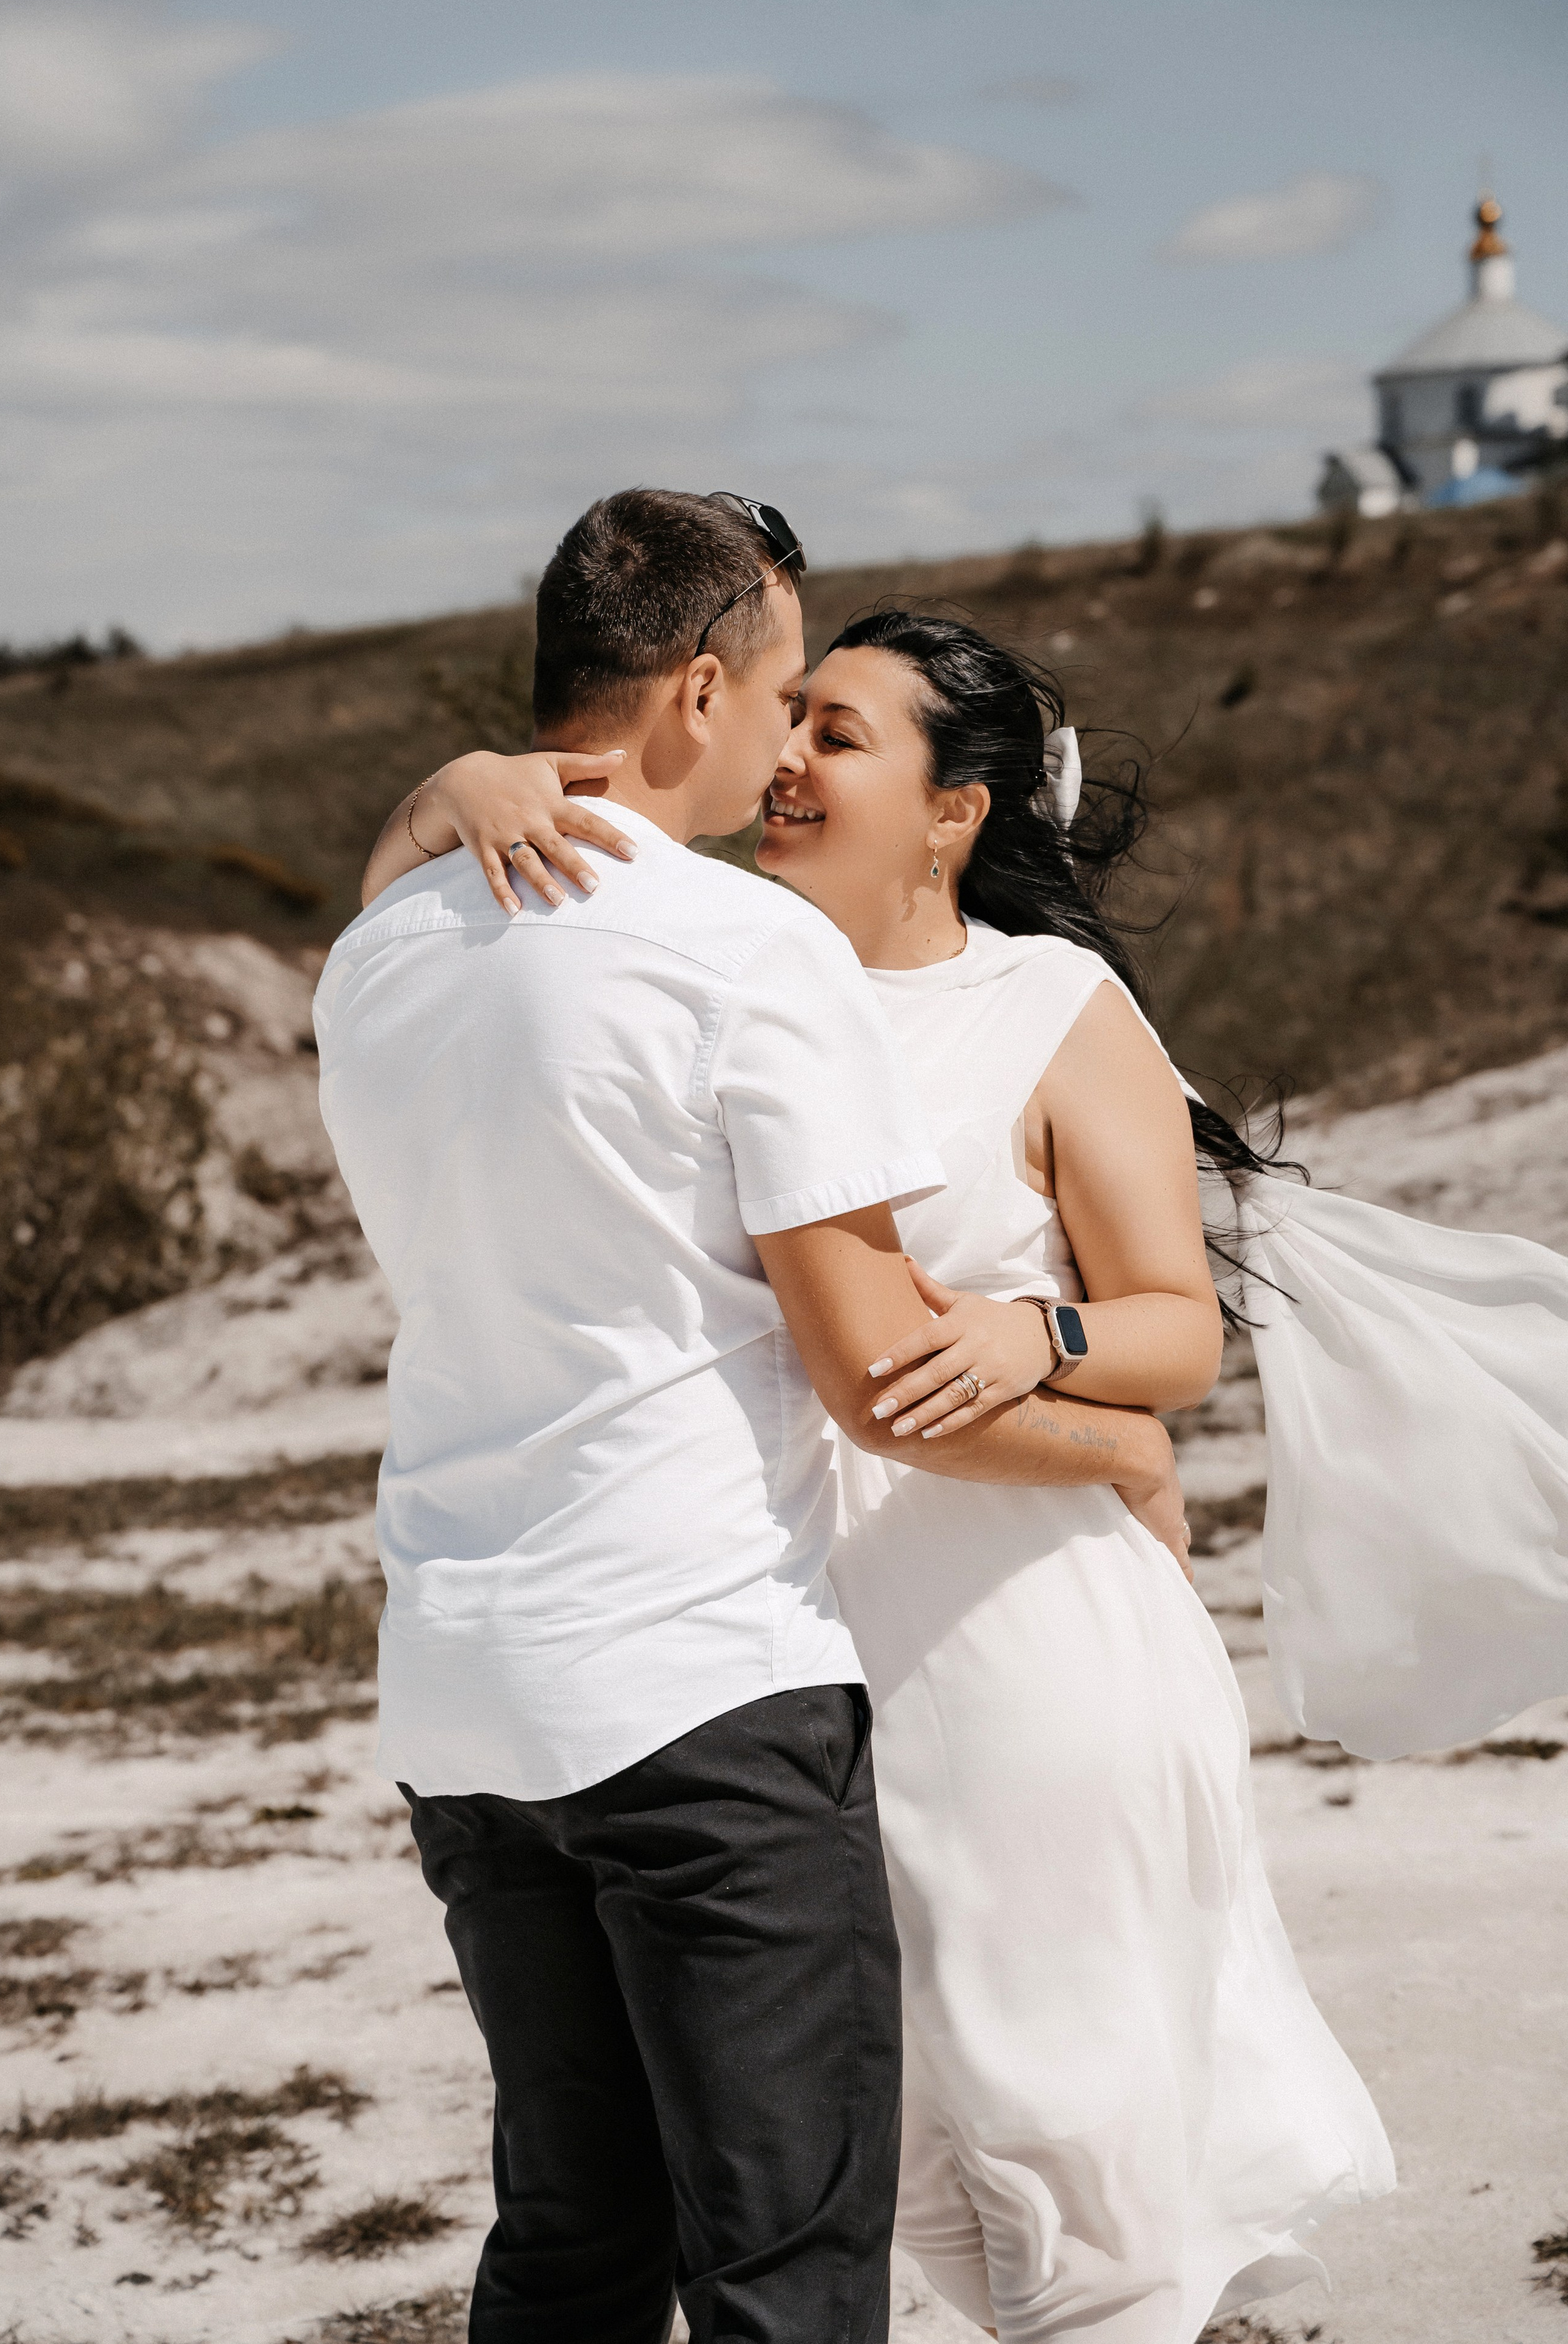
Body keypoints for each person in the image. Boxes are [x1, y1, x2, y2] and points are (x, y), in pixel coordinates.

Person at [370, 587, 1400, 2341]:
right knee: (857, 2170)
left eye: (838, 737)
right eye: (793, 719)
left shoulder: (1050, 1005)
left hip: (1019, 1646)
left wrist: (1044, 1346)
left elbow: (1179, 1330)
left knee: (1063, 2148)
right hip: (786, 1646)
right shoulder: (708, 970)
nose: (786, 760)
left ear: (956, 814)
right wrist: (465, 781)